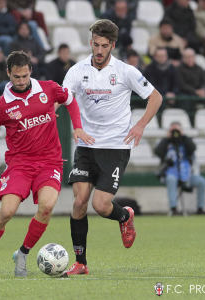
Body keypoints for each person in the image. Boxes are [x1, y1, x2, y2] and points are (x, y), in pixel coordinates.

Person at [0, 50, 94, 278]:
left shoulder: (48, 89)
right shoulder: (0, 105)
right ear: (8, 74)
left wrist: (78, 126)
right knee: (7, 211)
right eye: (16, 77)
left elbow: (70, 101)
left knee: (47, 206)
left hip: (49, 161)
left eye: (24, 76)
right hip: (19, 164)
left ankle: (23, 253)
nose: (21, 81)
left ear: (30, 71)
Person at [61, 19, 163, 276]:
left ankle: (124, 216)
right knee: (79, 202)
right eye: (95, 44)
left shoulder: (126, 71)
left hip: (115, 146)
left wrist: (140, 125)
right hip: (86, 145)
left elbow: (155, 97)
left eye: (104, 46)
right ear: (90, 42)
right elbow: (62, 99)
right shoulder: (76, 71)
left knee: (101, 205)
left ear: (112, 46)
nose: (98, 50)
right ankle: (81, 263)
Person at [154, 121, 205, 215]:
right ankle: (174, 208)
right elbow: (158, 152)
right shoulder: (166, 142)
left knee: (202, 181)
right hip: (170, 174)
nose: (175, 133)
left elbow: (192, 148)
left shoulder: (185, 141)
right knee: (171, 179)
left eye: (177, 130)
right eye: (173, 130)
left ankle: (200, 208)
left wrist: (184, 137)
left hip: (187, 174)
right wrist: (167, 138)